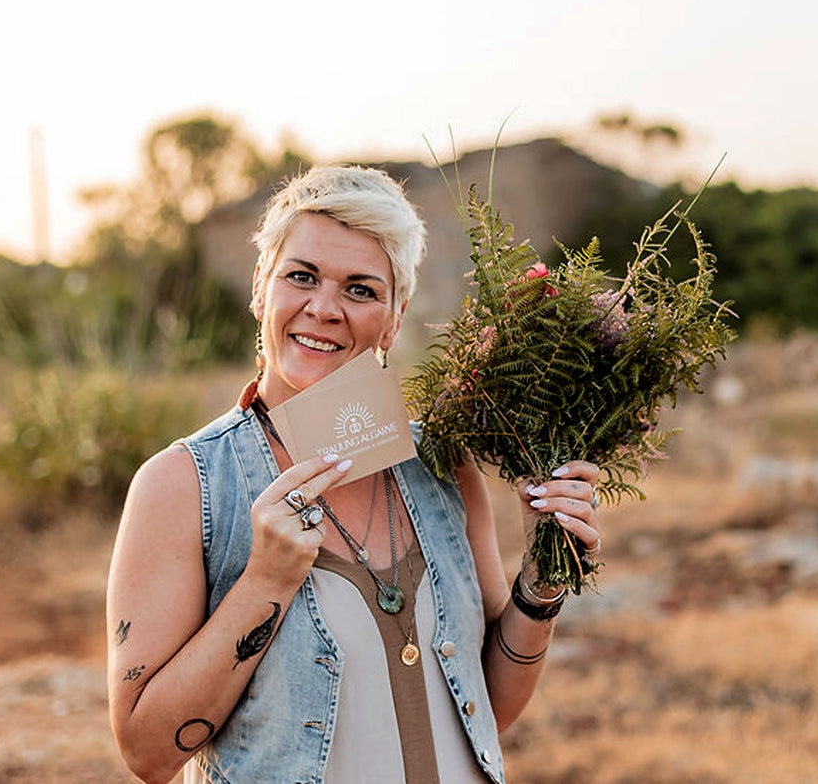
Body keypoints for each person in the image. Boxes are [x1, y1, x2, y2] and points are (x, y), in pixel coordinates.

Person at [106, 165, 603, 784]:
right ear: (262, 288)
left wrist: (544, 576)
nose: (324, 308)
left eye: (361, 290)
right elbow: (147, 753)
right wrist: (265, 580)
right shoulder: (182, 485)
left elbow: (488, 708)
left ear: (394, 319)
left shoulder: (444, 464)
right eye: (301, 277)